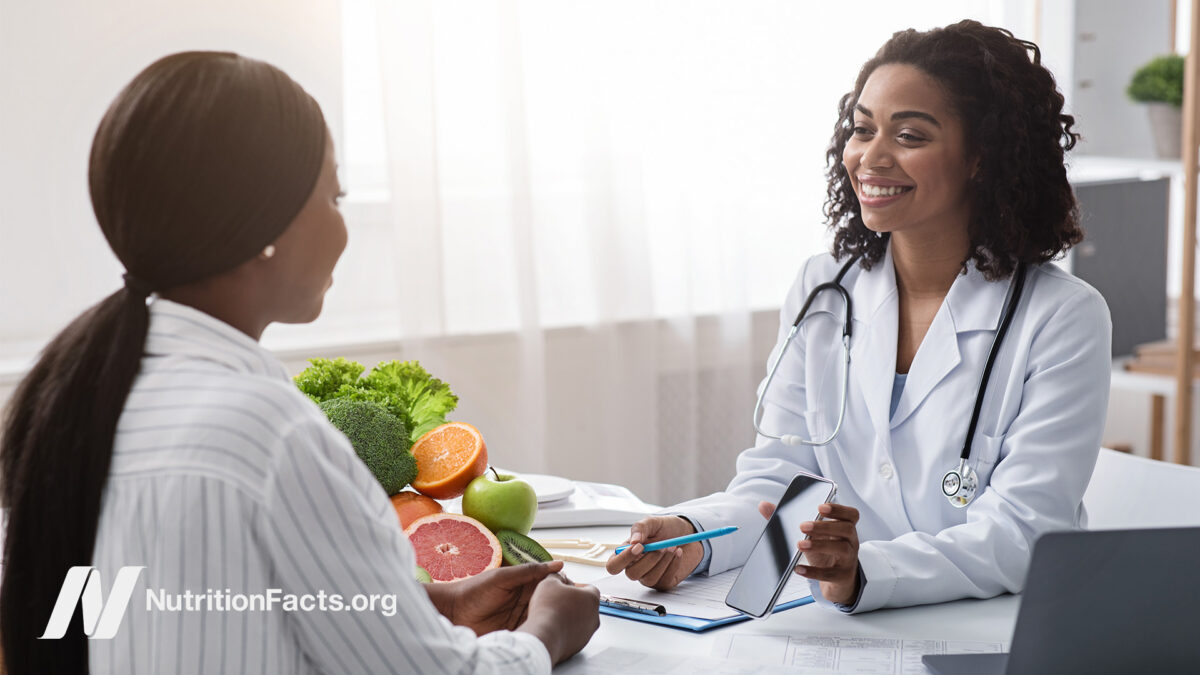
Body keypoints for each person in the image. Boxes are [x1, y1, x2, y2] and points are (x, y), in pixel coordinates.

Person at [0, 52, 598, 674]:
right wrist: (548, 630)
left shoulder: (93, 399)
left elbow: (155, 611)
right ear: (263, 223)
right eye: (333, 196)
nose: (342, 228)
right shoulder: (272, 433)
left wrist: (421, 608)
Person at [607, 20, 1111, 614]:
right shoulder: (823, 289)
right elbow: (780, 484)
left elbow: (1024, 532)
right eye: (861, 129)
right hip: (847, 627)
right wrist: (695, 538)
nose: (870, 158)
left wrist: (863, 571)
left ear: (981, 156)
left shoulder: (1061, 317)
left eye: (910, 136)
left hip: (993, 629)